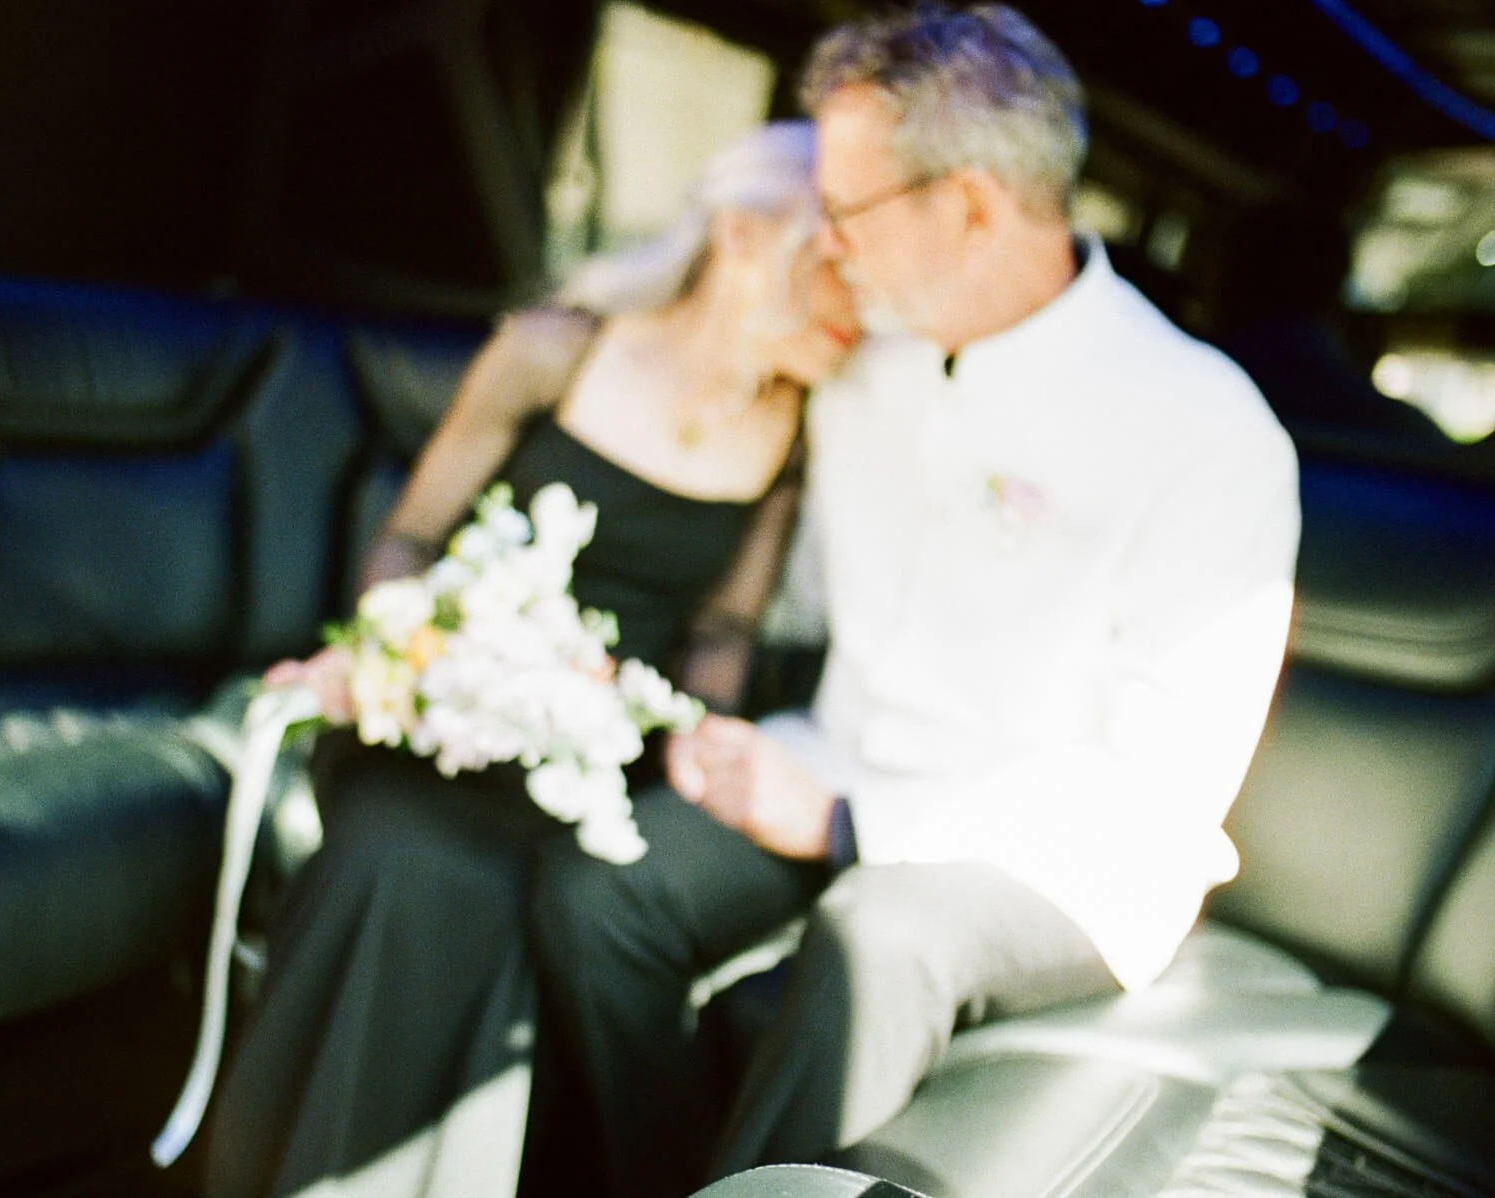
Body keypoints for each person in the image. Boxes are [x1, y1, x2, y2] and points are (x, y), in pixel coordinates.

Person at [528, 3, 1302, 1192]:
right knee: (604, 889)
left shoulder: (1207, 428)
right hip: (830, 759)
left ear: (972, 206)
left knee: (879, 934)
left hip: (1067, 859)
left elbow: (1160, 784)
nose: (827, 245)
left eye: (847, 212)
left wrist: (848, 828)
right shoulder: (861, 363)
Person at [197, 119, 862, 1198]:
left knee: (571, 897)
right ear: (744, 237)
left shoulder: (795, 430)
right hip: (439, 727)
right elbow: (411, 539)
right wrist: (401, 663)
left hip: (600, 759)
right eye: (833, 272)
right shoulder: (557, 348)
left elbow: (721, 635)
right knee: (411, 864)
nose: (858, 312)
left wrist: (683, 741)